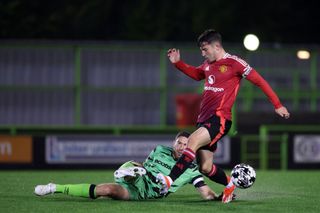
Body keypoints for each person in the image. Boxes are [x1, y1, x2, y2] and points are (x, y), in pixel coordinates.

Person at [156, 29, 290, 203]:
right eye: (201, 50)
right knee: (205, 167)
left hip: (219, 119)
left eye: (205, 49)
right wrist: (178, 63)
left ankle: (169, 179)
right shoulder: (207, 64)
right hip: (203, 120)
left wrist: (277, 104)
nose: (202, 53)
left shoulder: (235, 63)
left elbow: (260, 81)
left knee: (192, 142)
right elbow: (196, 74)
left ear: (216, 46)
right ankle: (230, 184)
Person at [34, 131, 227, 201]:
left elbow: (205, 191)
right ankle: (54, 188)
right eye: (179, 143)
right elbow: (146, 164)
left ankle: (128, 173)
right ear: (173, 142)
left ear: (190, 147)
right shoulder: (160, 149)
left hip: (145, 193)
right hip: (141, 176)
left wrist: (218, 196)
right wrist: (140, 168)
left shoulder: (192, 169)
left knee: (107, 190)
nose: (181, 146)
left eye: (186, 144)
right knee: (138, 167)